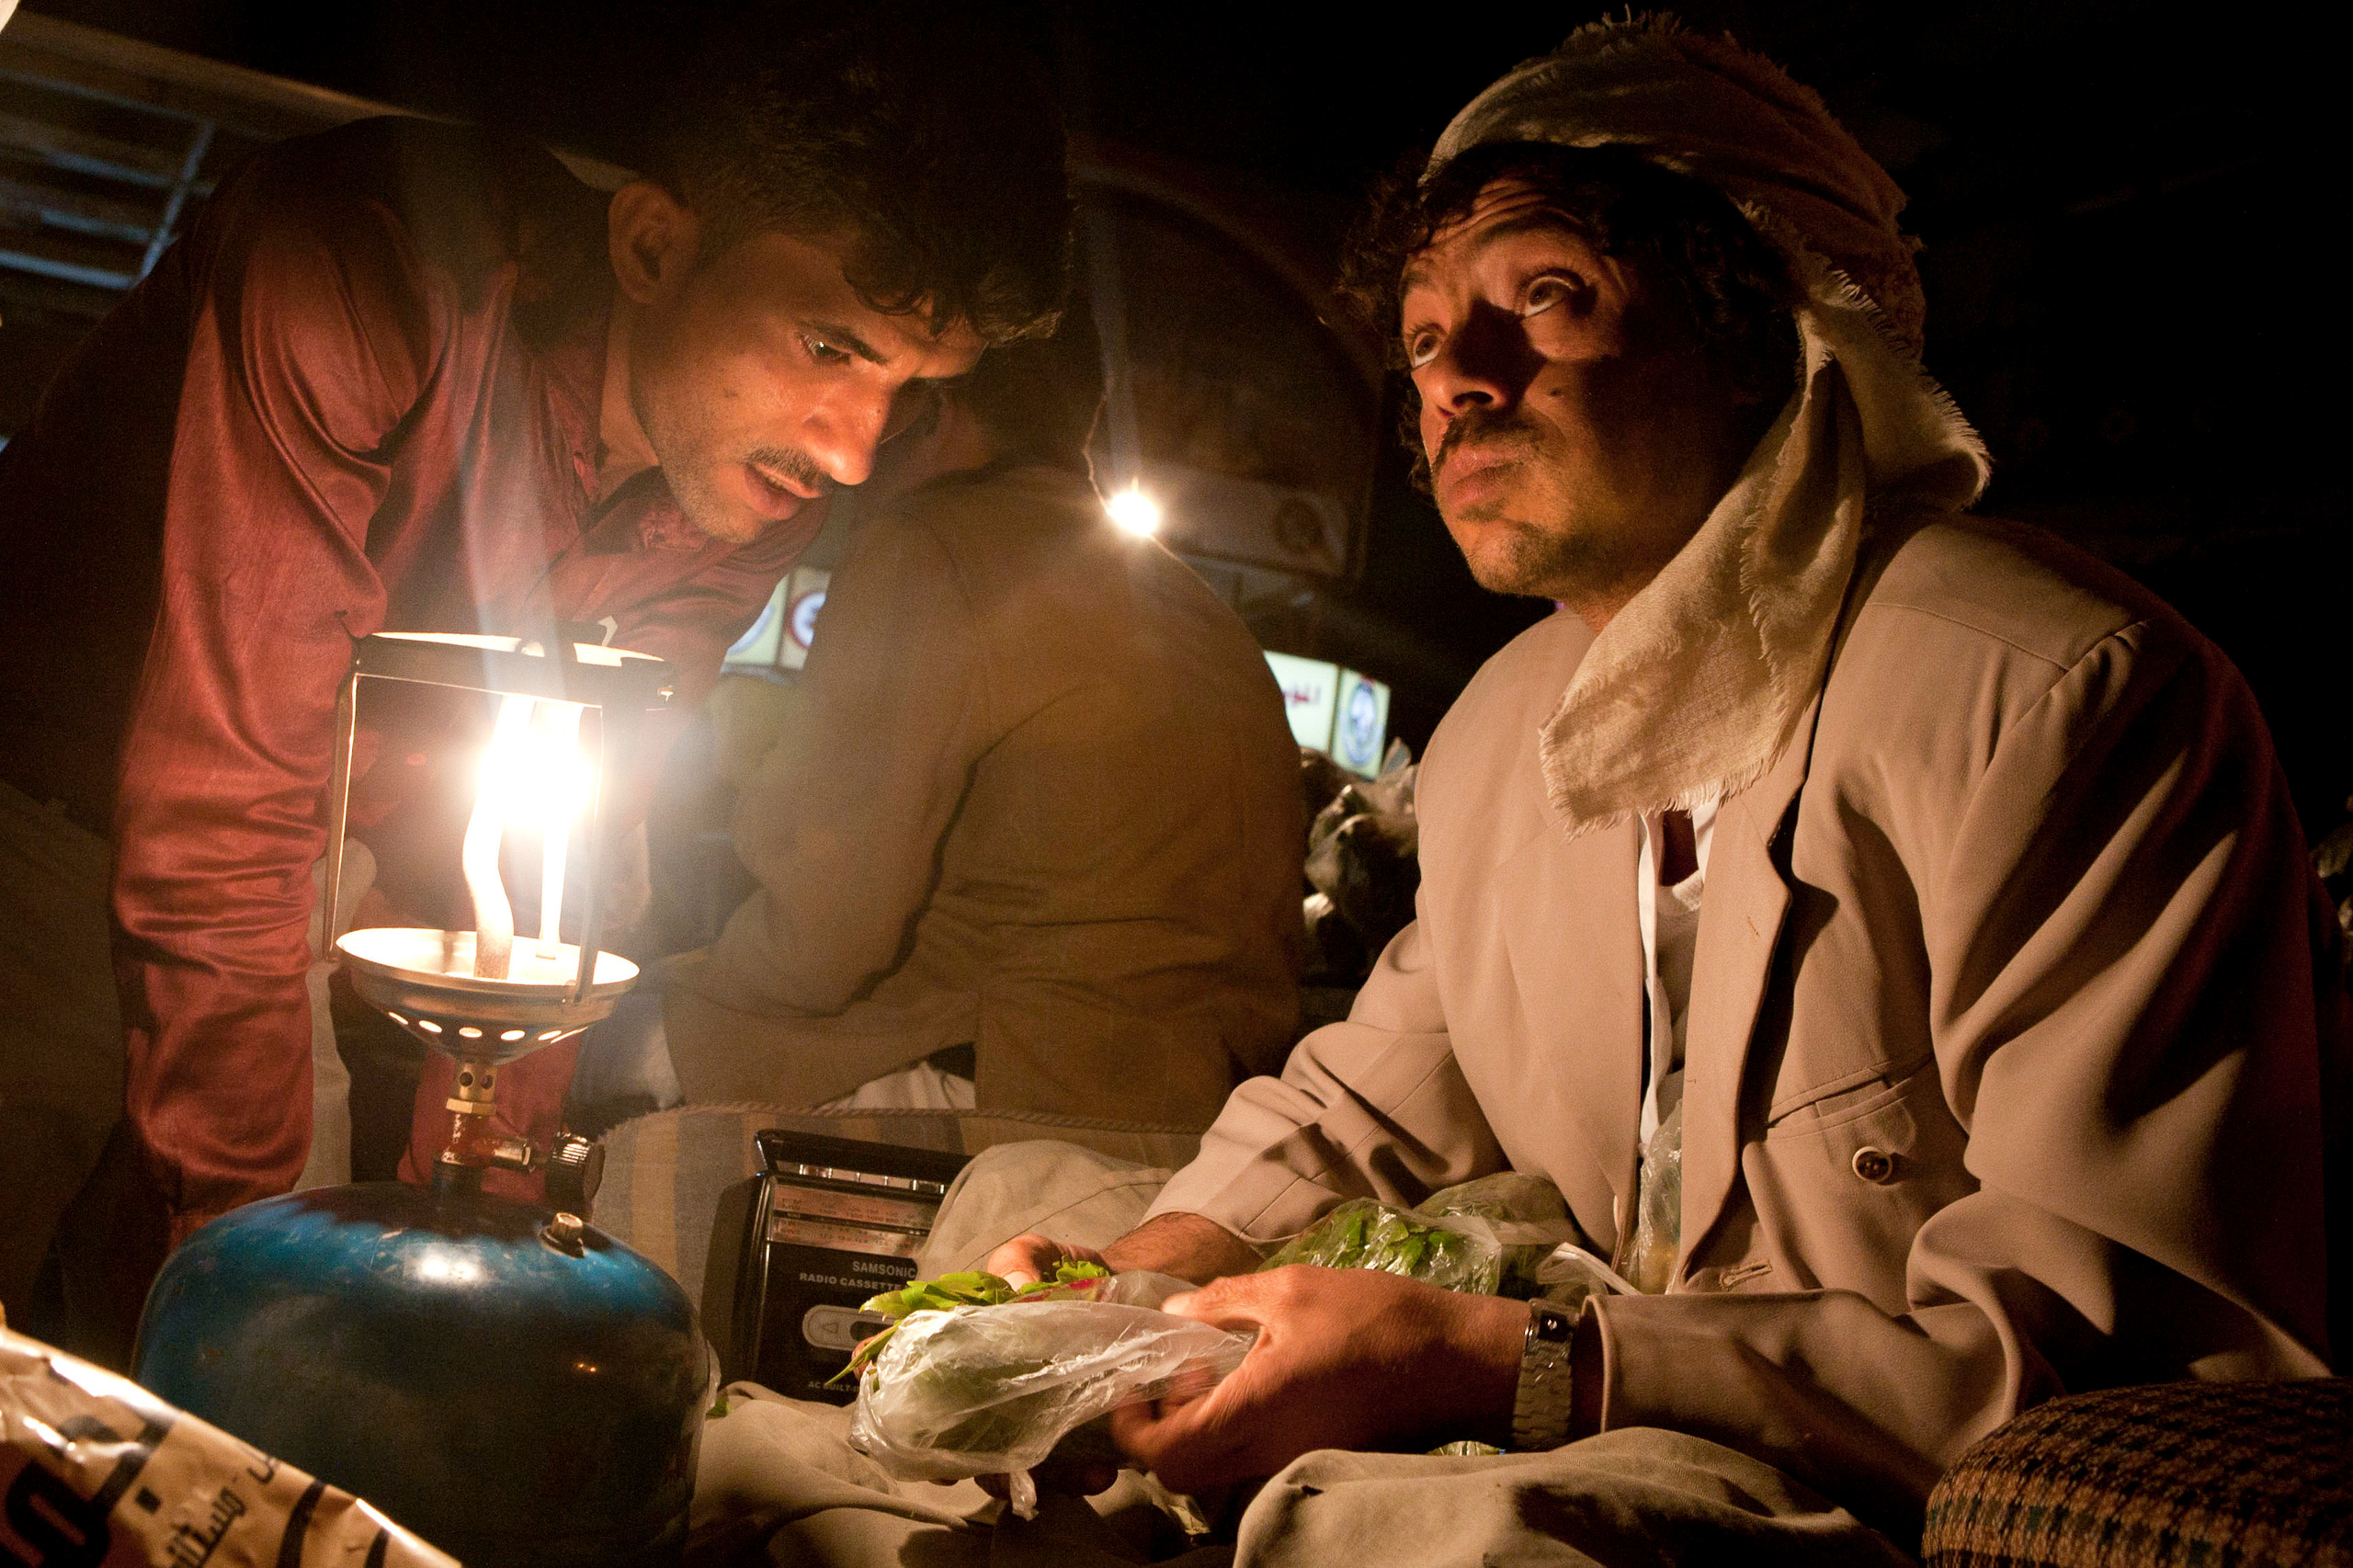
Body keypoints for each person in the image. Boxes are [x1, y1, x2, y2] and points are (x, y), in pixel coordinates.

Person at [677, 18, 2344, 1565]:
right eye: (1419, 337)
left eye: (1545, 297)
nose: (1456, 375)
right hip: (1565, 1392)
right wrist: (1142, 1273)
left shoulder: (2057, 700)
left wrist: (1507, 1362)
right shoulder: (1501, 731)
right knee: (1020, 1225)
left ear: (1769, 321)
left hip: (1851, 1483)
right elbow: (1371, 1100)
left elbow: (2106, 1389)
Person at [0, 11, 1070, 1361]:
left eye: (911, 388)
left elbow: (548, 859)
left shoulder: (755, 490)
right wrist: (251, 1299)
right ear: (654, 244)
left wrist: (495, 1223)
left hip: (300, 881)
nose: (858, 455)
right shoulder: (374, 268)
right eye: (828, 346)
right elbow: (223, 797)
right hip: (35, 813)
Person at [661, 309, 1302, 1133]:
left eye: (882, 386)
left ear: (939, 405)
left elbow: (819, 938)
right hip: (1199, 1106)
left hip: (1007, 1084)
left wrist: (690, 994)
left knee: (590, 1043)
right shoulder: (1189, 598)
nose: (851, 439)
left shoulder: (930, 545)